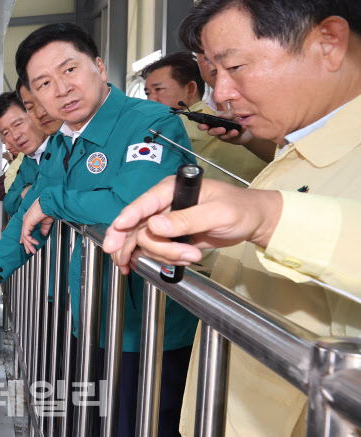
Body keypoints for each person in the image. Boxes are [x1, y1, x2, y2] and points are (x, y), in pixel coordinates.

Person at [104, 0, 361, 435]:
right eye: (214, 75)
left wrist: (265, 216)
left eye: (235, 67)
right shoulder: (292, 149)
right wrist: (194, 241)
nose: (220, 94)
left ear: (328, 43)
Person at [0, 22, 198, 437]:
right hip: (95, 316)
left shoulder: (151, 123)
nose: (61, 89)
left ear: (99, 67)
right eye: (44, 83)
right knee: (104, 420)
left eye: (69, 70)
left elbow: (128, 205)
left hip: (150, 325)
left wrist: (52, 201)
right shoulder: (65, 141)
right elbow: (31, 211)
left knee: (148, 424)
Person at [142, 52, 267, 187]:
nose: (151, 99)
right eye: (148, 93)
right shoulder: (170, 126)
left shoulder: (268, 113)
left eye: (159, 89)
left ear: (191, 88)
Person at [0, 91, 47, 210]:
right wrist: (24, 193)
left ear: (35, 113)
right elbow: (9, 202)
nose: (15, 136)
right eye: (6, 133)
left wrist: (28, 193)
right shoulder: (28, 160)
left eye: (18, 124)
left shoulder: (63, 148)